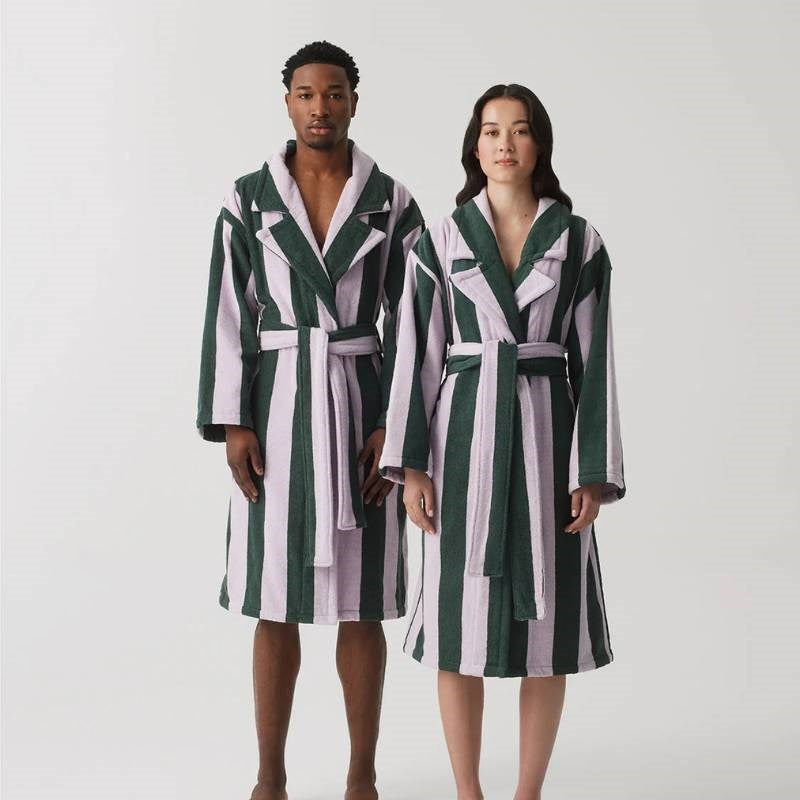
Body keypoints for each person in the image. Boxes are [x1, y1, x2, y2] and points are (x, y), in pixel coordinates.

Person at [379, 83, 625, 800]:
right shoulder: (440, 240)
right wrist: (412, 467)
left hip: (549, 443)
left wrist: (591, 471)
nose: (505, 144)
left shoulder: (579, 241)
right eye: (491, 131)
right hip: (462, 446)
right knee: (458, 624)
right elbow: (416, 357)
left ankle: (527, 793)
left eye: (519, 130)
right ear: (475, 146)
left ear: (539, 143)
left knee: (547, 630)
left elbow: (596, 363)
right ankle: (468, 792)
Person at [196, 41, 424, 800]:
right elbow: (228, 312)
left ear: (354, 101)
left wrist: (395, 424)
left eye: (333, 93)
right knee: (273, 598)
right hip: (278, 409)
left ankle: (362, 777)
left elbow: (416, 320)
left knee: (364, 605)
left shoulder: (391, 202)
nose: (319, 107)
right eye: (305, 93)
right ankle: (270, 777)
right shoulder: (249, 199)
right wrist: (234, 422)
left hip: (361, 407)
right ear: (287, 102)